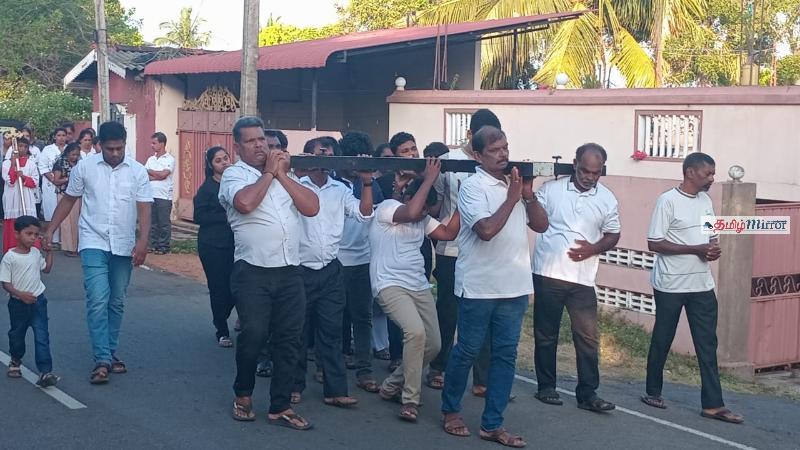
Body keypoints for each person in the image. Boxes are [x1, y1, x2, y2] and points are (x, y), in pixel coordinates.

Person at [440, 126, 548, 447]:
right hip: (479, 286)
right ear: (477, 155)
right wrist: (512, 198)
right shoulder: (473, 187)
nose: (503, 154)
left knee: (505, 356)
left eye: (505, 147)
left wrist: (527, 195)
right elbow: (485, 230)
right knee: (467, 351)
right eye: (495, 150)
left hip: (514, 286)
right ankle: (450, 410)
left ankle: (492, 424)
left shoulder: (514, 184)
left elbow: (541, 225)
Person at [218, 117, 319, 430]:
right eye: (251, 141)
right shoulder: (235, 174)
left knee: (290, 339)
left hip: (290, 270)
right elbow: (245, 203)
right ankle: (243, 395)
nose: (260, 145)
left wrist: (281, 175)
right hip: (252, 270)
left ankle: (280, 406)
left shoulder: (285, 175)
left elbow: (312, 207)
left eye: (262, 139)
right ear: (238, 147)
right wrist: (268, 174)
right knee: (255, 334)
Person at [45, 121, 153, 385]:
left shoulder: (138, 171)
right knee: (97, 299)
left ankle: (110, 351)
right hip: (93, 241)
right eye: (110, 148)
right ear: (99, 145)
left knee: (116, 301)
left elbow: (144, 208)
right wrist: (50, 230)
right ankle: (102, 359)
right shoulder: (85, 168)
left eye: (120, 148)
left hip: (124, 244)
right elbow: (69, 199)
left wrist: (143, 242)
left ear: (125, 144)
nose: (115, 153)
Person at [642, 153, 744, 424]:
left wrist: (711, 249)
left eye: (713, 173)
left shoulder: (705, 201)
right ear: (690, 172)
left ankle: (713, 405)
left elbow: (710, 236)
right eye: (707, 173)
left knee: (707, 344)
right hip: (671, 284)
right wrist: (695, 249)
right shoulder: (667, 201)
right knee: (663, 338)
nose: (712, 178)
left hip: (701, 284)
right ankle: (653, 391)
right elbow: (654, 243)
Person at [532, 143, 620, 412]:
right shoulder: (551, 189)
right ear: (575, 164)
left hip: (583, 279)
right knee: (546, 334)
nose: (589, 177)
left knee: (587, 338)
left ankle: (588, 394)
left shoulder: (607, 198)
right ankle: (546, 387)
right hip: (548, 273)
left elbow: (613, 234)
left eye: (596, 173)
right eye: (585, 171)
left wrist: (593, 249)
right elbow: (535, 220)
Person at [371, 159, 461, 422]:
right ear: (410, 198)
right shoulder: (388, 208)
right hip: (389, 284)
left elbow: (447, 233)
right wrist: (430, 178)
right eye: (422, 209)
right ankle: (410, 399)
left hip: (418, 285)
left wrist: (463, 203)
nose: (423, 215)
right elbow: (411, 212)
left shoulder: (421, 217)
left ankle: (391, 385)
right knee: (415, 333)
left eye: (427, 211)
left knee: (433, 344)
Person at [290, 137, 373, 407]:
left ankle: (335, 390)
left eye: (329, 154)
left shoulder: (341, 189)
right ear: (308, 157)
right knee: (297, 331)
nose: (325, 158)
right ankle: (293, 385)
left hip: (330, 269)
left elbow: (363, 214)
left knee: (332, 331)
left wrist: (367, 183)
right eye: (320, 153)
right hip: (300, 268)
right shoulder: (294, 185)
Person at [428, 109, 499, 394]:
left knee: (485, 315)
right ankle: (438, 367)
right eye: (485, 138)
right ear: (470, 135)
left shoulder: (497, 164)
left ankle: (483, 379)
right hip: (451, 249)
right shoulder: (447, 162)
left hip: (484, 250)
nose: (492, 145)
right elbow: (435, 204)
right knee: (448, 312)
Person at [335, 131, 385, 392]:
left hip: (363, 259)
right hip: (334, 259)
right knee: (333, 317)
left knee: (362, 317)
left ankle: (365, 370)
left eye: (363, 158)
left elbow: (376, 218)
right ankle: (329, 365)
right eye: (353, 158)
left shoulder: (371, 186)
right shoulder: (332, 183)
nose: (357, 164)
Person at [2, 216, 57, 387]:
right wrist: (20, 294)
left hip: (38, 302)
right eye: (29, 234)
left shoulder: (35, 253)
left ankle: (45, 371)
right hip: (18, 304)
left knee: (42, 336)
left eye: (36, 234)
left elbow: (46, 269)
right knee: (17, 334)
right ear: (17, 234)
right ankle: (15, 359)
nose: (33, 238)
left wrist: (49, 253)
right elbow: (6, 283)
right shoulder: (10, 257)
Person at [193, 146, 235, 348]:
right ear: (211, 165)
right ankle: (222, 330)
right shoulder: (207, 189)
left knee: (237, 285)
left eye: (226, 158)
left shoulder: (237, 183)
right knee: (218, 287)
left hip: (236, 244)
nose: (224, 162)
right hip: (212, 246)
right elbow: (199, 216)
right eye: (218, 160)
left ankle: (229, 316)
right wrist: (224, 217)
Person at [2, 138, 40, 253]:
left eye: (25, 146)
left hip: (26, 199)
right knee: (13, 225)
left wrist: (23, 177)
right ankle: (12, 252)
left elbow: (35, 182)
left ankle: (31, 251)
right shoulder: (6, 163)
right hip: (12, 199)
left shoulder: (31, 164)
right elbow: (10, 181)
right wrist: (13, 163)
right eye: (19, 146)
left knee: (28, 222)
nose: (22, 149)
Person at [145, 132, 175, 255]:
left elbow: (164, 175)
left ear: (162, 144)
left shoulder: (169, 159)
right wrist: (157, 175)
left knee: (163, 223)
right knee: (153, 222)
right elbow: (145, 175)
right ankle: (153, 244)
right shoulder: (150, 159)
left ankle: (163, 246)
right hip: (151, 194)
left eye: (154, 143)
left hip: (164, 195)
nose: (152, 145)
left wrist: (150, 171)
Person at [51, 143, 83, 257]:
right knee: (66, 222)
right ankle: (68, 247)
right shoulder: (60, 163)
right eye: (73, 154)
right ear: (67, 153)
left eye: (77, 155)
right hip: (64, 194)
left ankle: (77, 246)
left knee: (76, 221)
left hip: (77, 195)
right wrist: (69, 178)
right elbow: (56, 181)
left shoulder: (80, 163)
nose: (75, 157)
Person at [39, 128, 67, 246]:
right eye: (59, 135)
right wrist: (53, 180)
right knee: (51, 211)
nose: (61, 138)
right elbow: (42, 166)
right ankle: (52, 239)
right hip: (50, 184)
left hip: (66, 184)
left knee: (65, 211)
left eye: (63, 135)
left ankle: (65, 241)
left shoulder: (69, 149)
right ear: (54, 136)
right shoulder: (47, 149)